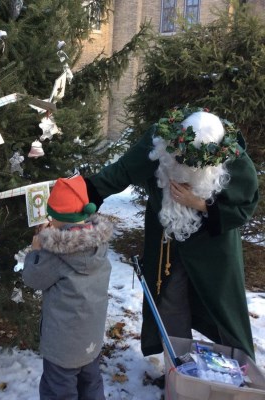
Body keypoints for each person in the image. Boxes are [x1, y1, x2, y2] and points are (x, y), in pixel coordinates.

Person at [84, 106, 259, 364]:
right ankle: (179, 368)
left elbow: (244, 207)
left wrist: (200, 203)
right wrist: (84, 193)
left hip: (214, 247)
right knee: (168, 300)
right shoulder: (159, 140)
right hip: (168, 242)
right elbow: (123, 170)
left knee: (225, 309)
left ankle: (241, 373)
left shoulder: (233, 156)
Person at [22, 175, 113, 400]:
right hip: (90, 340)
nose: (50, 222)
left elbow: (33, 279)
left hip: (62, 348)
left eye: (52, 217)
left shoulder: (57, 253)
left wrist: (36, 251)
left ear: (60, 219)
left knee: (58, 391)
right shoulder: (99, 244)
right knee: (91, 384)